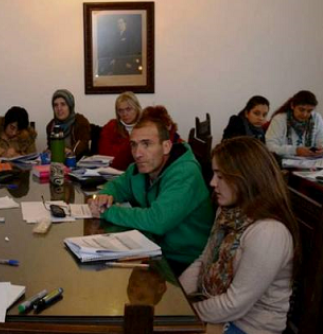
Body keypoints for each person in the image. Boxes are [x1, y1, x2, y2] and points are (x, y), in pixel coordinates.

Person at [179, 137, 297, 334]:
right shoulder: (227, 212)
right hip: (219, 311)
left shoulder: (268, 232)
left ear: (246, 177)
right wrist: (177, 298)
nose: (212, 182)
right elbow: (203, 260)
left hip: (248, 327)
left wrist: (183, 312)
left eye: (221, 176)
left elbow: (235, 304)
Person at [88, 107, 214, 275]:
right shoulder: (140, 168)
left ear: (166, 146)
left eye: (147, 144)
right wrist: (103, 196)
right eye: (134, 145)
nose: (138, 153)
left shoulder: (185, 173)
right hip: (154, 248)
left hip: (184, 262)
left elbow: (157, 221)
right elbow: (117, 186)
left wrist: (107, 211)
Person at [265, 90, 323, 159]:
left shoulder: (316, 118)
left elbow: (321, 140)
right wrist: (295, 150)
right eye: (301, 110)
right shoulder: (279, 119)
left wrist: (321, 149)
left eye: (309, 111)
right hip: (284, 164)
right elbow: (270, 146)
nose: (305, 114)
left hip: (311, 163)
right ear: (292, 106)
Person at [45, 89, 92, 158]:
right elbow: (51, 147)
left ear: (70, 106)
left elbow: (83, 144)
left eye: (63, 104)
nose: (59, 108)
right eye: (55, 105)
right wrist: (48, 152)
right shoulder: (51, 126)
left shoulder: (80, 122)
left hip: (78, 163)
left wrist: (70, 151)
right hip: (58, 164)